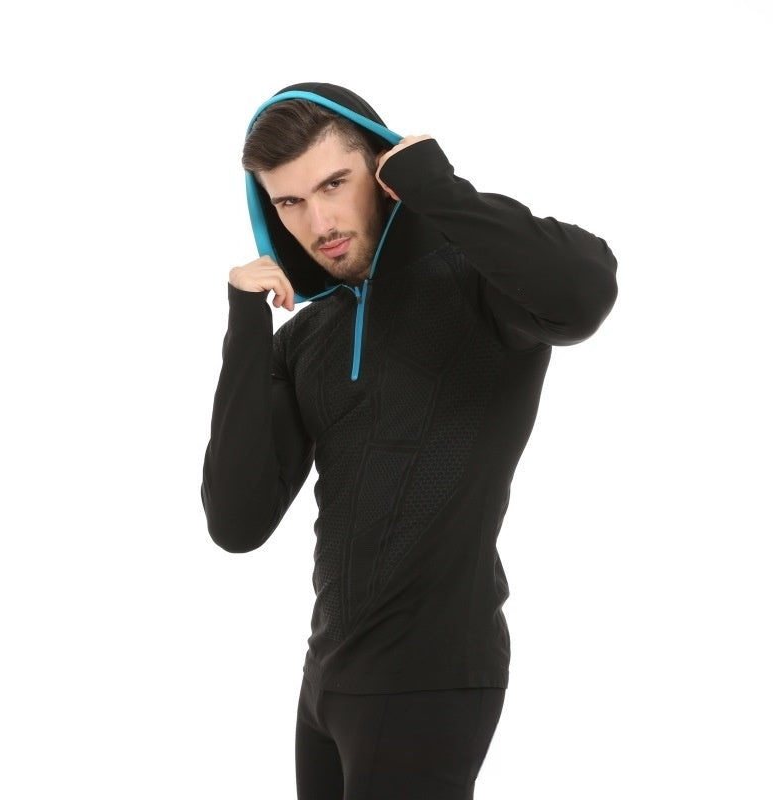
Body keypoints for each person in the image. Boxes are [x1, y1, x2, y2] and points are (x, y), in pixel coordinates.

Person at [201, 81, 618, 799]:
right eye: (290, 201)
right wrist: (246, 328)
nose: (319, 221)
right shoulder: (306, 338)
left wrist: (439, 188)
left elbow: (583, 295)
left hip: (429, 680)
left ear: (382, 167)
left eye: (335, 183)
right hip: (326, 680)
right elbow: (236, 523)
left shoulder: (479, 286)